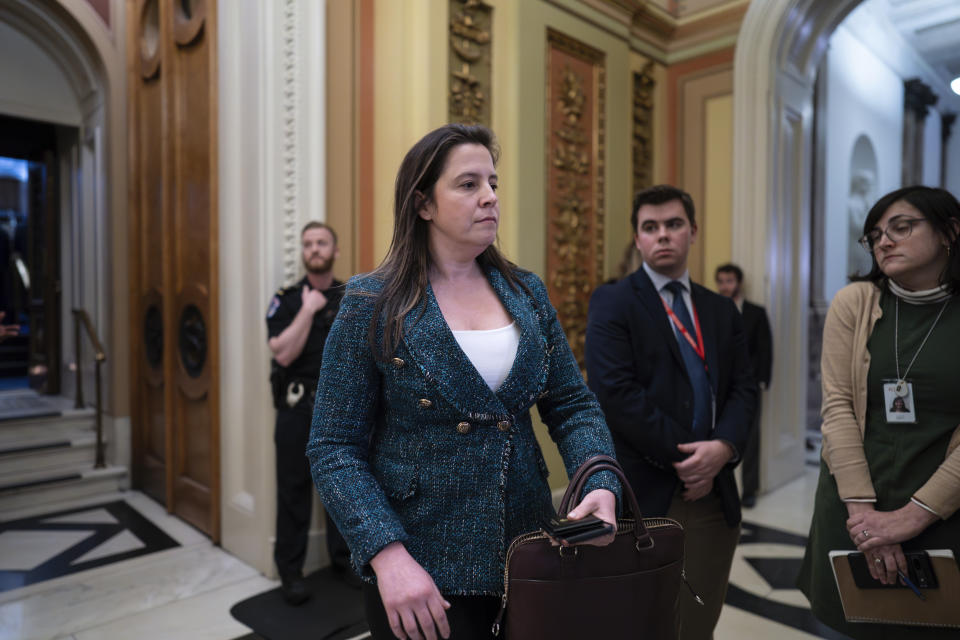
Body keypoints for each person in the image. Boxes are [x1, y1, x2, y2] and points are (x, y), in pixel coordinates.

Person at [306, 124, 620, 640]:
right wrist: (386, 555)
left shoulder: (525, 291)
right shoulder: (372, 301)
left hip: (527, 548)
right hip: (419, 564)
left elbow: (571, 404)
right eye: (469, 184)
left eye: (493, 183)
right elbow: (334, 446)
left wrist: (598, 481)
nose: (491, 197)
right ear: (423, 204)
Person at [585, 184, 757, 640]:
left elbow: (744, 388)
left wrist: (723, 449)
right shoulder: (613, 302)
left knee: (698, 623)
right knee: (639, 624)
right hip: (646, 492)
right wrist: (689, 458)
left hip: (712, 497)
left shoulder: (720, 310)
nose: (663, 235)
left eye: (674, 225)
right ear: (637, 238)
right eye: (651, 227)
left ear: (693, 231)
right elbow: (616, 394)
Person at [798, 186, 960, 639]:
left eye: (901, 227)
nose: (884, 240)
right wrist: (866, 521)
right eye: (874, 234)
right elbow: (838, 409)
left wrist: (914, 516)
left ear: (950, 231)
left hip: (943, 510)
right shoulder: (855, 302)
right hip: (851, 509)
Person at [266, 221, 350, 604]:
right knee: (293, 492)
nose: (314, 249)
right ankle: (290, 571)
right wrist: (308, 309)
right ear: (303, 253)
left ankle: (344, 561)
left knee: (344, 488)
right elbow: (282, 352)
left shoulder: (352, 296)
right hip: (298, 410)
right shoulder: (286, 298)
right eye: (308, 244)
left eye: (322, 243)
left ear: (334, 250)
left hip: (343, 411)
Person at [715, 263, 772, 508]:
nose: (724, 286)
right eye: (721, 281)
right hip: (718, 384)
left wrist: (762, 380)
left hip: (748, 385)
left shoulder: (755, 313)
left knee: (751, 438)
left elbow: (765, 349)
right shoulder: (713, 309)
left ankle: (749, 490)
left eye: (729, 280)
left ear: (738, 282)